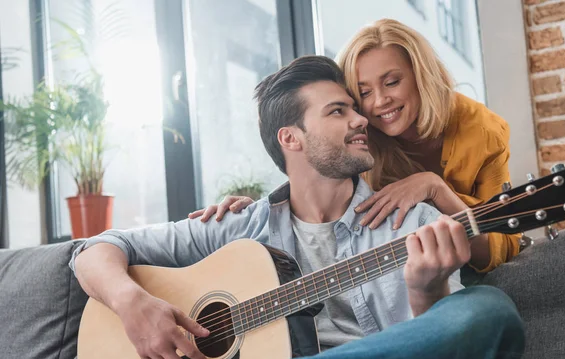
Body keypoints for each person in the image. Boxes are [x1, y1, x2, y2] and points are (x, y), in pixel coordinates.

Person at [71, 56, 524, 359]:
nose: (362, 118)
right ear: (291, 138)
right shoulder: (238, 229)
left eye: (354, 108)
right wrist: (133, 304)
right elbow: (93, 249)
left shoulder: (413, 223)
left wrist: (427, 290)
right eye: (338, 111)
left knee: (489, 310)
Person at [190, 18, 520, 273]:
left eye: (392, 82)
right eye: (363, 92)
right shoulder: (360, 137)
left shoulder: (483, 132)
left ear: (422, 76)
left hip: (464, 268)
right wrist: (264, 213)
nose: (379, 102)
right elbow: (319, 188)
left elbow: (503, 246)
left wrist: (435, 189)